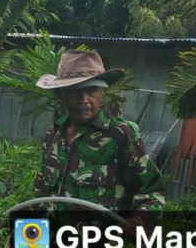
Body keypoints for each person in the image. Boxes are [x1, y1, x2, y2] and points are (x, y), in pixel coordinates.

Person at [33, 49, 165, 234]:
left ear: (102, 92)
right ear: (60, 94)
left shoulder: (120, 135)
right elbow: (41, 197)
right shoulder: (53, 136)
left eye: (92, 90)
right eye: (75, 92)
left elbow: (153, 189)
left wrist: (141, 220)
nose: (84, 100)